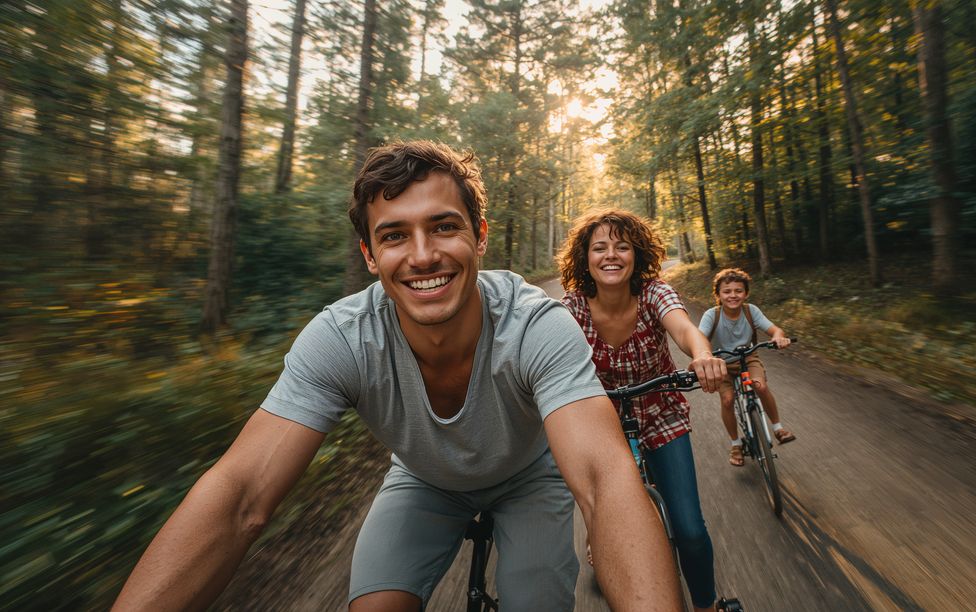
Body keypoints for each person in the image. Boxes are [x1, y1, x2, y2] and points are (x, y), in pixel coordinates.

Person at [112, 141, 684, 612]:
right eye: (393, 236)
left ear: (479, 235)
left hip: (530, 477)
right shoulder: (342, 337)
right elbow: (240, 497)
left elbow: (606, 481)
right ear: (369, 253)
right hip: (424, 480)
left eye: (443, 227)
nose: (422, 255)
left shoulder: (538, 322)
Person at [557, 209, 730, 612]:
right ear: (585, 258)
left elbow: (685, 329)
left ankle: (706, 604)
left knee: (689, 529)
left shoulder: (655, 293)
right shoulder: (572, 309)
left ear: (636, 255)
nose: (611, 255)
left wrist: (703, 354)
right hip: (600, 424)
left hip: (661, 414)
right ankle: (597, 531)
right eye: (599, 247)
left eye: (622, 246)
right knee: (605, 514)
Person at [697, 268, 795, 468]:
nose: (733, 295)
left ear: (746, 293)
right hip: (721, 362)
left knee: (760, 386)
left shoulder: (751, 311)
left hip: (747, 358)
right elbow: (699, 339)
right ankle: (735, 444)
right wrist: (704, 356)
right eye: (727, 291)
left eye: (738, 290)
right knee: (727, 399)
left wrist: (778, 338)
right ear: (718, 294)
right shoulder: (711, 315)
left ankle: (778, 428)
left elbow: (774, 329)